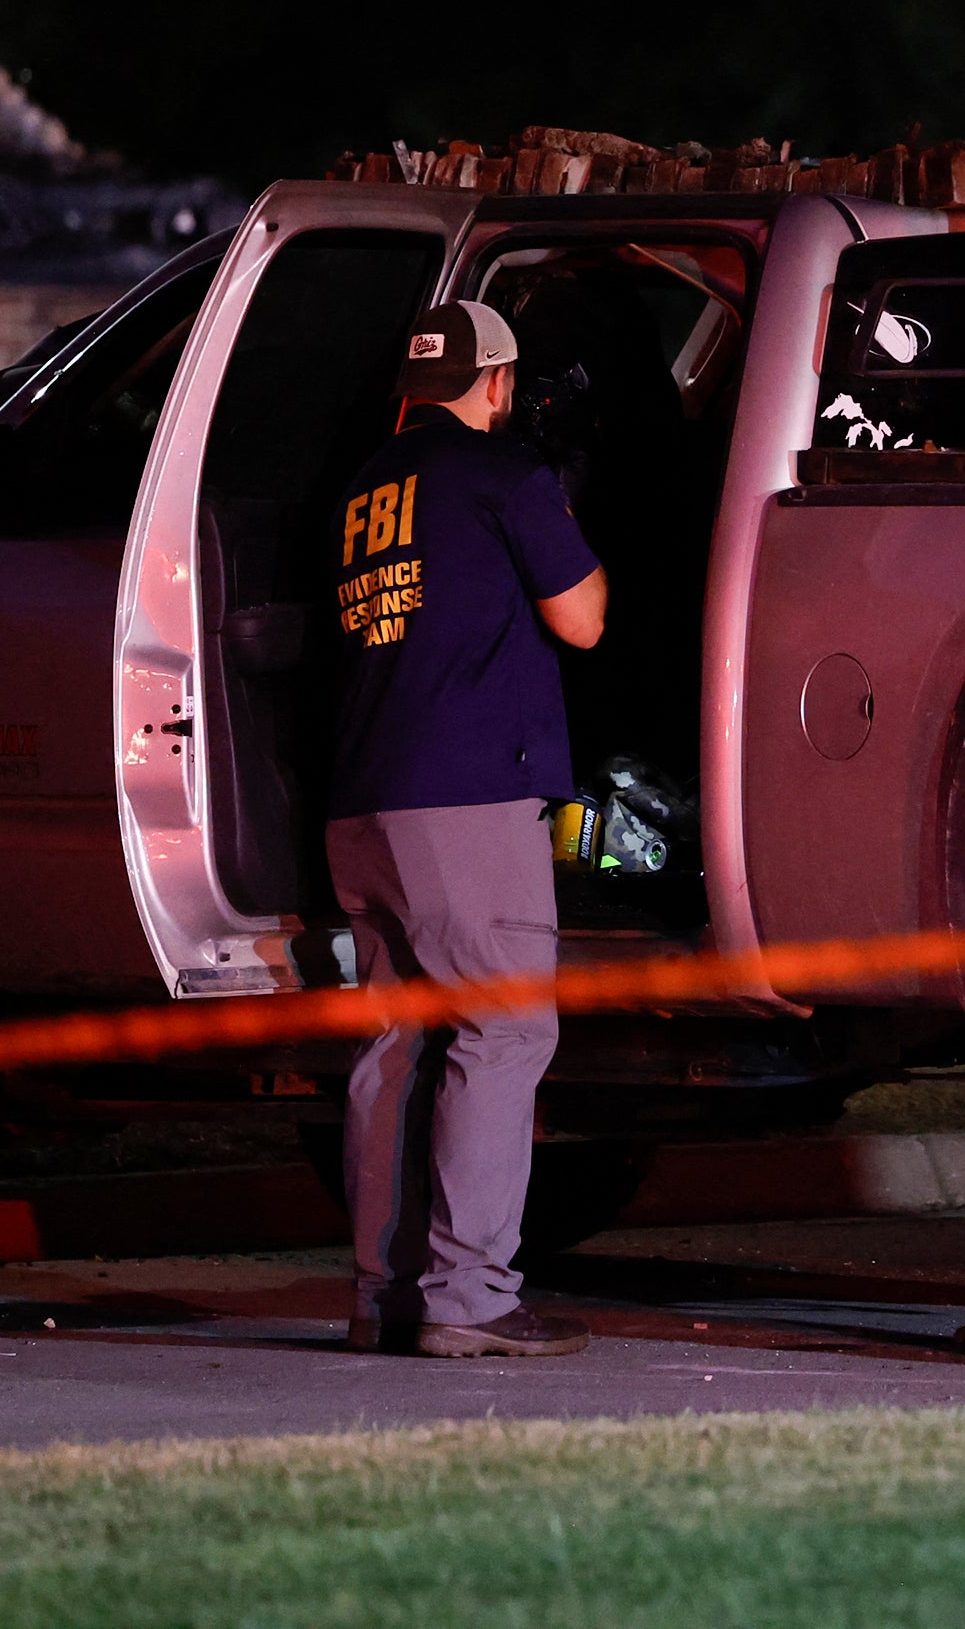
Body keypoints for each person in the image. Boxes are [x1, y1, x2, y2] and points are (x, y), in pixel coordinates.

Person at [324, 297, 608, 1357]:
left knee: (396, 1041)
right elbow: (584, 618)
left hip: (364, 803)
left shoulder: (363, 487)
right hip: (465, 799)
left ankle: (381, 1294)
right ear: (495, 383)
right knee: (506, 1030)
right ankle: (470, 1298)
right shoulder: (505, 476)